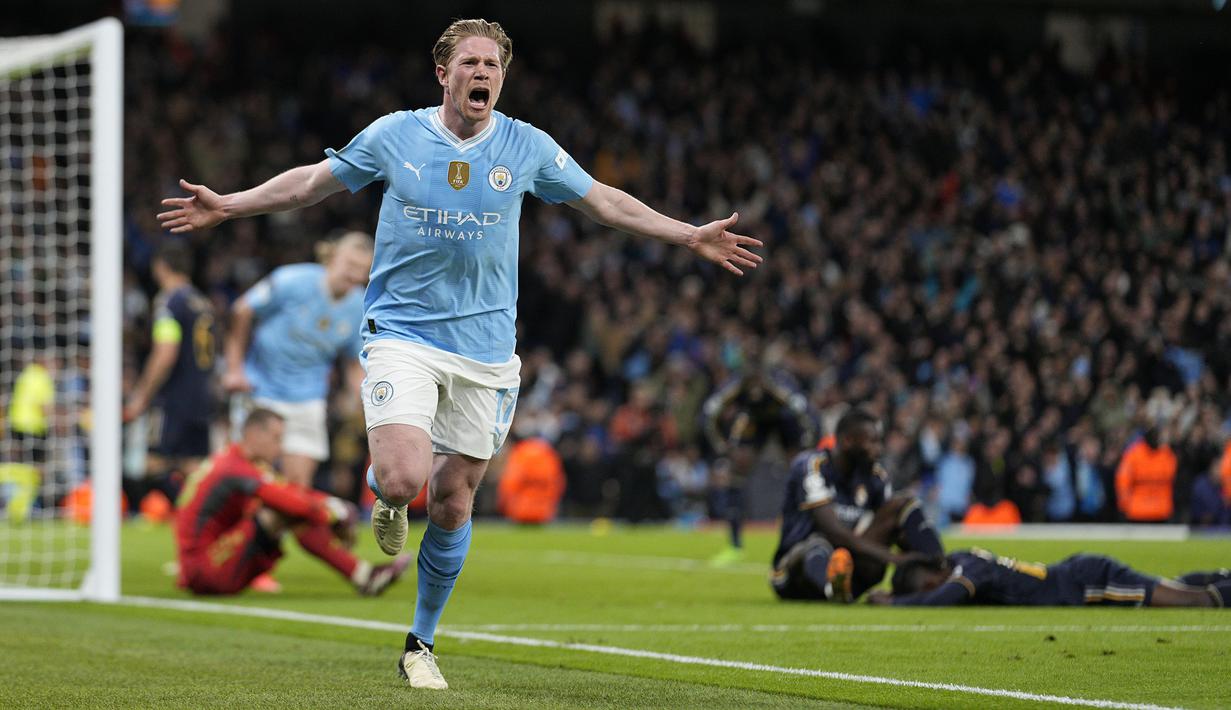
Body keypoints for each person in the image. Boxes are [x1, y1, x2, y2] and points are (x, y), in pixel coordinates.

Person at [156, 18, 762, 690]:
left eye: (493, 65)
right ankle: (386, 496)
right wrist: (230, 205)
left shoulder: (526, 146)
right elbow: (310, 183)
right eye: (470, 62)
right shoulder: (395, 135)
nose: (483, 73)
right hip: (402, 335)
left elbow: (604, 201)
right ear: (442, 72)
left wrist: (687, 236)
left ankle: (421, 642)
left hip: (484, 351)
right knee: (403, 477)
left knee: (451, 502)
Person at [175, 407, 410, 596]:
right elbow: (293, 503)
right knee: (282, 512)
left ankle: (363, 574)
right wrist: (335, 514)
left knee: (285, 508)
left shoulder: (233, 460)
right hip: (205, 569)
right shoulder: (236, 467)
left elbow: (288, 491)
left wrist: (334, 505)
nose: (280, 447)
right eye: (276, 438)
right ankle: (363, 575)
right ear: (254, 434)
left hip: (202, 564)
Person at [222, 231, 373, 489]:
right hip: (260, 388)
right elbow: (242, 310)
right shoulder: (291, 280)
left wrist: (360, 399)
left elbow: (352, 360)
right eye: (350, 265)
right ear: (332, 256)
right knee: (246, 480)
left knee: (297, 487)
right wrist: (234, 369)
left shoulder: (360, 306)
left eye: (362, 269)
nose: (354, 275)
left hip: (307, 397)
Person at [770, 408, 943, 603]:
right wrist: (895, 559)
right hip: (796, 573)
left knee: (903, 504)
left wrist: (917, 556)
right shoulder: (812, 466)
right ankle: (833, 588)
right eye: (872, 441)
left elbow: (890, 525)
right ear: (847, 441)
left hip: (849, 565)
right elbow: (833, 530)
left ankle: (942, 571)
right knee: (819, 545)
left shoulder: (875, 476)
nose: (878, 449)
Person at [122, 241, 216, 507]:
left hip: (174, 397)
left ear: (160, 267)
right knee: (194, 467)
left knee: (154, 463)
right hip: (202, 395)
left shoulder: (169, 302)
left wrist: (141, 395)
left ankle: (162, 514)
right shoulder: (202, 302)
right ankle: (198, 519)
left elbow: (165, 353)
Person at [702, 368, 816, 566]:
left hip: (785, 419)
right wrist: (721, 444)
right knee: (737, 472)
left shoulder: (781, 389)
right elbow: (710, 414)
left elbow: (804, 414)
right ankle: (735, 545)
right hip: (756, 422)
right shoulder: (735, 388)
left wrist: (807, 443)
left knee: (801, 473)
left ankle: (805, 537)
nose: (755, 391)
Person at [873, 547, 1231, 608]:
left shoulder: (968, 567)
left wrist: (895, 602)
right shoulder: (965, 561)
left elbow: (946, 598)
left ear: (935, 574)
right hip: (1079, 575)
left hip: (1086, 582)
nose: (933, 590)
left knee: (1193, 601)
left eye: (928, 585)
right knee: (1176, 584)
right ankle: (1222, 575)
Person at [1114, 427, 1177, 522]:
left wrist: (1124, 506)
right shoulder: (1167, 455)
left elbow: (1122, 481)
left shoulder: (1133, 454)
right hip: (1146, 511)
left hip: (1150, 510)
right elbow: (1123, 481)